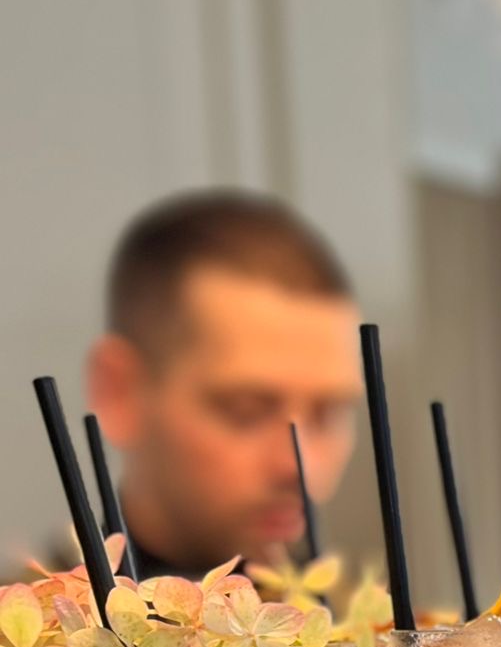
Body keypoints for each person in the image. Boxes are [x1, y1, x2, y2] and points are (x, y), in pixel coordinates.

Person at [86, 191, 362, 579]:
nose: (301, 466)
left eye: (328, 414)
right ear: (120, 392)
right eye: (245, 411)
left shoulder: (374, 617)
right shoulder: (26, 619)